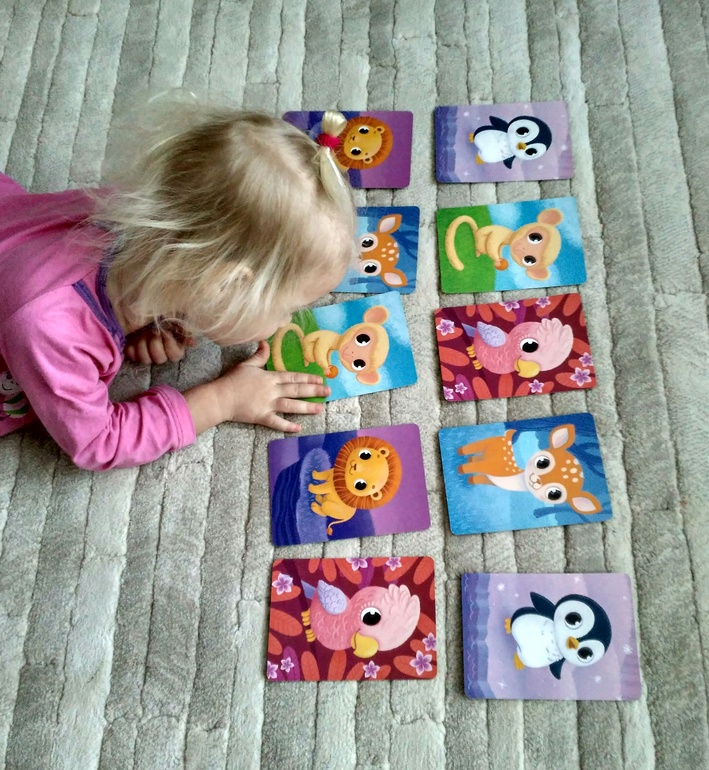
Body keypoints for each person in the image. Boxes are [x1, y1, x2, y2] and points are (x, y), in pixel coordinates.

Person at [0, 96, 357, 470]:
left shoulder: (144, 222)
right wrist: (221, 400)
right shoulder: (52, 330)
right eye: (287, 308)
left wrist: (159, 315)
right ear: (223, 285)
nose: (287, 322)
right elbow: (98, 442)